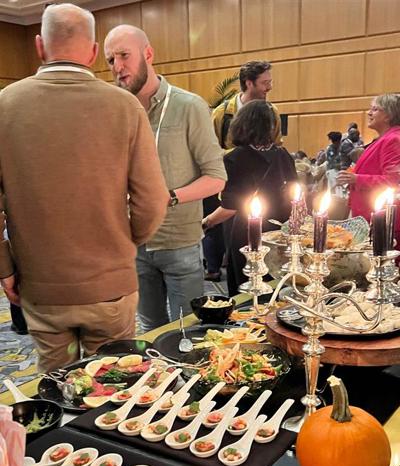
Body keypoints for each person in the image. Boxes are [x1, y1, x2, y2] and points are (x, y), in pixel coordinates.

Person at [0, 4, 168, 372]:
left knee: (54, 386)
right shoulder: (124, 106)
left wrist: (4, 266)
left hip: (41, 288)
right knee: (113, 387)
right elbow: (154, 199)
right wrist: (126, 241)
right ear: (93, 53)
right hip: (111, 285)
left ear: (40, 45)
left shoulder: (4, 105)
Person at [104, 25, 226, 332]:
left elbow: (216, 177)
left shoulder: (189, 107)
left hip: (179, 244)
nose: (118, 67)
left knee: (190, 334)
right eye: (110, 60)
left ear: (148, 54)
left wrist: (168, 197)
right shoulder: (114, 112)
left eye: (124, 56)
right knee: (150, 332)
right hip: (134, 245)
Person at [203, 100, 297, 296]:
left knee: (245, 288)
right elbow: (295, 195)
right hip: (279, 233)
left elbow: (231, 206)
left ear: (241, 124)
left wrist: (206, 222)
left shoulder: (235, 158)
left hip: (245, 232)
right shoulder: (283, 155)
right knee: (276, 286)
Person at [336, 94, 400, 231]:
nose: (369, 113)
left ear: (388, 115)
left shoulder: (392, 140)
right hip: (371, 217)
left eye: (375, 109)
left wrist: (357, 179)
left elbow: (393, 181)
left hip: (382, 222)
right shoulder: (383, 139)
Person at [212, 60, 282, 150]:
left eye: (270, 82)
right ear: (249, 83)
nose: (269, 87)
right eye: (265, 83)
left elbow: (277, 147)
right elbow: (212, 153)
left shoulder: (272, 112)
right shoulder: (221, 114)